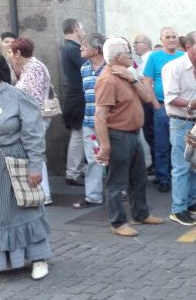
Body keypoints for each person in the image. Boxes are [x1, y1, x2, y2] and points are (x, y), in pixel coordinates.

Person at [0, 41, 51, 280]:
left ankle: (38, 258)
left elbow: (33, 134)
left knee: (24, 211)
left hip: (12, 164)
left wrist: (35, 166)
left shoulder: (16, 96)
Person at [94, 38, 165, 237]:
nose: (131, 55)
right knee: (116, 182)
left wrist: (132, 79)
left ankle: (141, 214)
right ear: (118, 57)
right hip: (118, 136)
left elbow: (148, 97)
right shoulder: (107, 80)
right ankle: (117, 223)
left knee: (138, 178)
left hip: (133, 135)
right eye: (127, 52)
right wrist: (105, 146)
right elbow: (100, 115)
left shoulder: (127, 74)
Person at [162, 31, 196, 226]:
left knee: (195, 164)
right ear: (188, 47)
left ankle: (190, 202)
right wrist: (193, 104)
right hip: (180, 121)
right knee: (181, 166)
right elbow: (170, 97)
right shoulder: (173, 67)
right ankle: (178, 209)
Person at [9, 37, 53, 206]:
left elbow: (34, 97)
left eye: (11, 53)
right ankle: (43, 192)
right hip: (35, 117)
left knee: (36, 152)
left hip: (35, 118)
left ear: (18, 53)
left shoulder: (33, 68)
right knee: (37, 152)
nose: (11, 56)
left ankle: (44, 193)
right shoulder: (32, 66)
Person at [141, 27, 184, 192]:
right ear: (161, 39)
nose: (171, 39)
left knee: (178, 144)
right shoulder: (154, 57)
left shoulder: (183, 56)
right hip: (161, 106)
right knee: (162, 144)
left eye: (174, 36)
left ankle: (177, 176)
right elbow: (147, 82)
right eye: (168, 37)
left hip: (180, 108)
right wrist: (155, 104)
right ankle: (163, 178)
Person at [72, 32, 107, 209]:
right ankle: (93, 196)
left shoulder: (110, 67)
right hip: (89, 123)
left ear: (97, 48)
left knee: (114, 159)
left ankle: (120, 190)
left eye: (85, 45)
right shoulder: (84, 68)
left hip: (108, 123)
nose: (81, 48)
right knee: (93, 159)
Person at [60, 18, 87, 186]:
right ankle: (72, 173)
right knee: (78, 135)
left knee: (80, 135)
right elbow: (88, 67)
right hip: (78, 98)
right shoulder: (72, 49)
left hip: (75, 97)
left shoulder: (68, 48)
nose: (83, 31)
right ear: (76, 28)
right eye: (82, 28)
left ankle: (79, 169)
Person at [133, 34, 156, 176]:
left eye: (137, 42)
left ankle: (157, 165)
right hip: (147, 101)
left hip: (149, 102)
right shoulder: (143, 60)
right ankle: (156, 163)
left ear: (146, 44)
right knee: (150, 134)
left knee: (151, 134)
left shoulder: (148, 59)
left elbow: (144, 82)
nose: (134, 45)